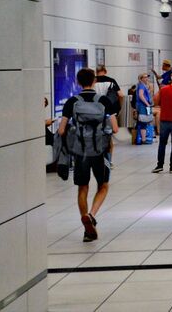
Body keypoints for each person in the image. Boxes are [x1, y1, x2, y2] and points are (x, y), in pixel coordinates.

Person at [58, 68, 118, 241]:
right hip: (100, 151)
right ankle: (91, 215)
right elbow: (114, 128)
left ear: (78, 82)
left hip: (80, 152)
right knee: (103, 185)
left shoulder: (72, 102)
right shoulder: (104, 100)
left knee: (82, 187)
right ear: (94, 82)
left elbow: (61, 130)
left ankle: (86, 228)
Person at [133, 73, 155, 144]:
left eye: (147, 77)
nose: (146, 79)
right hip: (142, 106)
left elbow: (145, 94)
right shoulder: (141, 86)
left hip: (142, 105)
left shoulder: (142, 86)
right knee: (143, 122)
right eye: (145, 77)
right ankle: (143, 139)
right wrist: (147, 103)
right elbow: (141, 95)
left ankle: (141, 138)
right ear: (141, 78)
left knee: (142, 122)